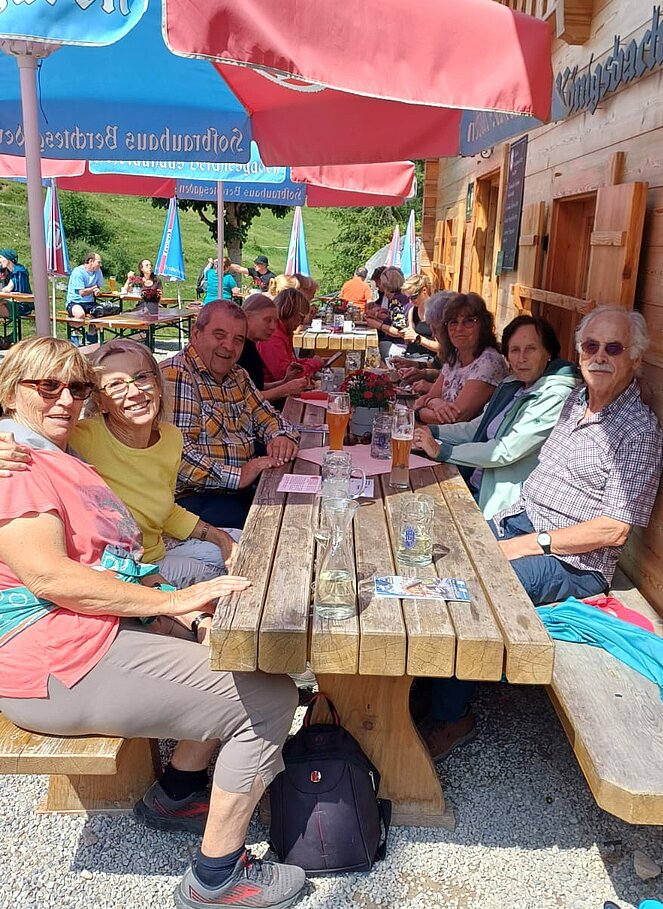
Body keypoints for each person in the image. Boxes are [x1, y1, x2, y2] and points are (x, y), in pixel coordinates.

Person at [0, 336, 305, 909]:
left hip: (94, 632)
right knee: (269, 700)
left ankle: (177, 793)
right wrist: (171, 604)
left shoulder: (61, 453)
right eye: (47, 386)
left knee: (229, 650)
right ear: (11, 393)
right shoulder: (17, 466)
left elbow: (115, 558)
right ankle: (216, 878)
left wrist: (175, 606)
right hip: (54, 661)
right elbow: (50, 578)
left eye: (76, 387)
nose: (65, 399)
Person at [0, 338, 235, 594]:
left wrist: (219, 537)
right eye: (116, 385)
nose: (134, 392)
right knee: (230, 576)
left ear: (158, 384)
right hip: (127, 569)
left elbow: (164, 509)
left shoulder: (170, 438)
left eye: (141, 377)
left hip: (152, 555)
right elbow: (25, 433)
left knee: (241, 543)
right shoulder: (77, 436)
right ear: (100, 402)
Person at [492, 305, 663, 606]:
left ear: (635, 359)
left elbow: (614, 529)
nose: (600, 357)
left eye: (613, 348)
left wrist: (529, 544)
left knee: (487, 582)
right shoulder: (575, 399)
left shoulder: (639, 431)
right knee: (447, 545)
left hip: (572, 562)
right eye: (591, 346)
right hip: (518, 521)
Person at [413, 315, 577, 519]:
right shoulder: (513, 386)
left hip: (503, 508)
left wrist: (442, 451)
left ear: (548, 353)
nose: (522, 358)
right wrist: (431, 431)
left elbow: (506, 450)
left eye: (531, 349)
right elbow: (475, 428)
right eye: (514, 350)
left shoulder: (554, 395)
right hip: (473, 485)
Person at [160, 300, 300, 529]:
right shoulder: (178, 375)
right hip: (192, 500)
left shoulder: (238, 375)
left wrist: (280, 437)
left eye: (238, 340)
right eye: (219, 335)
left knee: (296, 504)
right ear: (195, 333)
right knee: (275, 524)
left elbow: (268, 417)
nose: (229, 346)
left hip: (235, 491)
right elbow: (179, 458)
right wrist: (240, 475)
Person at [413, 292, 509, 425]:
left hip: (467, 437)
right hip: (438, 432)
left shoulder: (489, 362)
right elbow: (429, 397)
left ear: (483, 325)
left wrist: (418, 413)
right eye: (453, 322)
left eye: (468, 321)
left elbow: (455, 417)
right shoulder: (455, 357)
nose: (459, 328)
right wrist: (432, 402)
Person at [239, 294, 309, 403]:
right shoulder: (236, 350)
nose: (273, 326)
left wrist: (284, 382)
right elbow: (244, 398)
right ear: (248, 317)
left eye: (275, 321)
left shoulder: (250, 345)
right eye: (268, 320)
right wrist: (286, 389)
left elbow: (254, 386)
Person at [256, 288, 325, 384]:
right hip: (273, 391)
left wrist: (308, 361)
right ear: (290, 311)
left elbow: (291, 364)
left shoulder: (284, 331)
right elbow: (286, 376)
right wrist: (314, 364)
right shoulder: (273, 334)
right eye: (301, 317)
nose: (302, 322)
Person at [365, 266, 409, 360]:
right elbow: (394, 321)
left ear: (385, 285)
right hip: (398, 343)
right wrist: (377, 317)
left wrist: (377, 325)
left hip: (400, 346)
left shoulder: (396, 301)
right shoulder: (400, 297)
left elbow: (399, 331)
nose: (378, 286)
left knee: (371, 350)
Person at [66, 251, 104, 345]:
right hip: (75, 301)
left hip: (89, 302)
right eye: (98, 262)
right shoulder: (78, 272)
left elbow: (98, 286)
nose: (100, 265)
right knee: (80, 315)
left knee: (100, 312)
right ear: (91, 261)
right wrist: (94, 288)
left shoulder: (98, 272)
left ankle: (91, 335)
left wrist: (97, 290)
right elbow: (82, 292)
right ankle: (75, 334)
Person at [399, 274, 439, 360]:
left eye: (413, 297)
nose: (410, 302)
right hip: (411, 356)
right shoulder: (412, 311)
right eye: (408, 298)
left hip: (428, 359)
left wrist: (418, 338)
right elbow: (410, 341)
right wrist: (405, 335)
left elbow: (440, 347)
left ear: (424, 290)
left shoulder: (436, 313)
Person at [0, 248, 32, 327]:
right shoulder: (9, 272)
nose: (0, 260)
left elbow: (8, 288)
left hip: (22, 305)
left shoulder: (18, 271)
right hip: (13, 302)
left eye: (1, 258)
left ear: (8, 259)